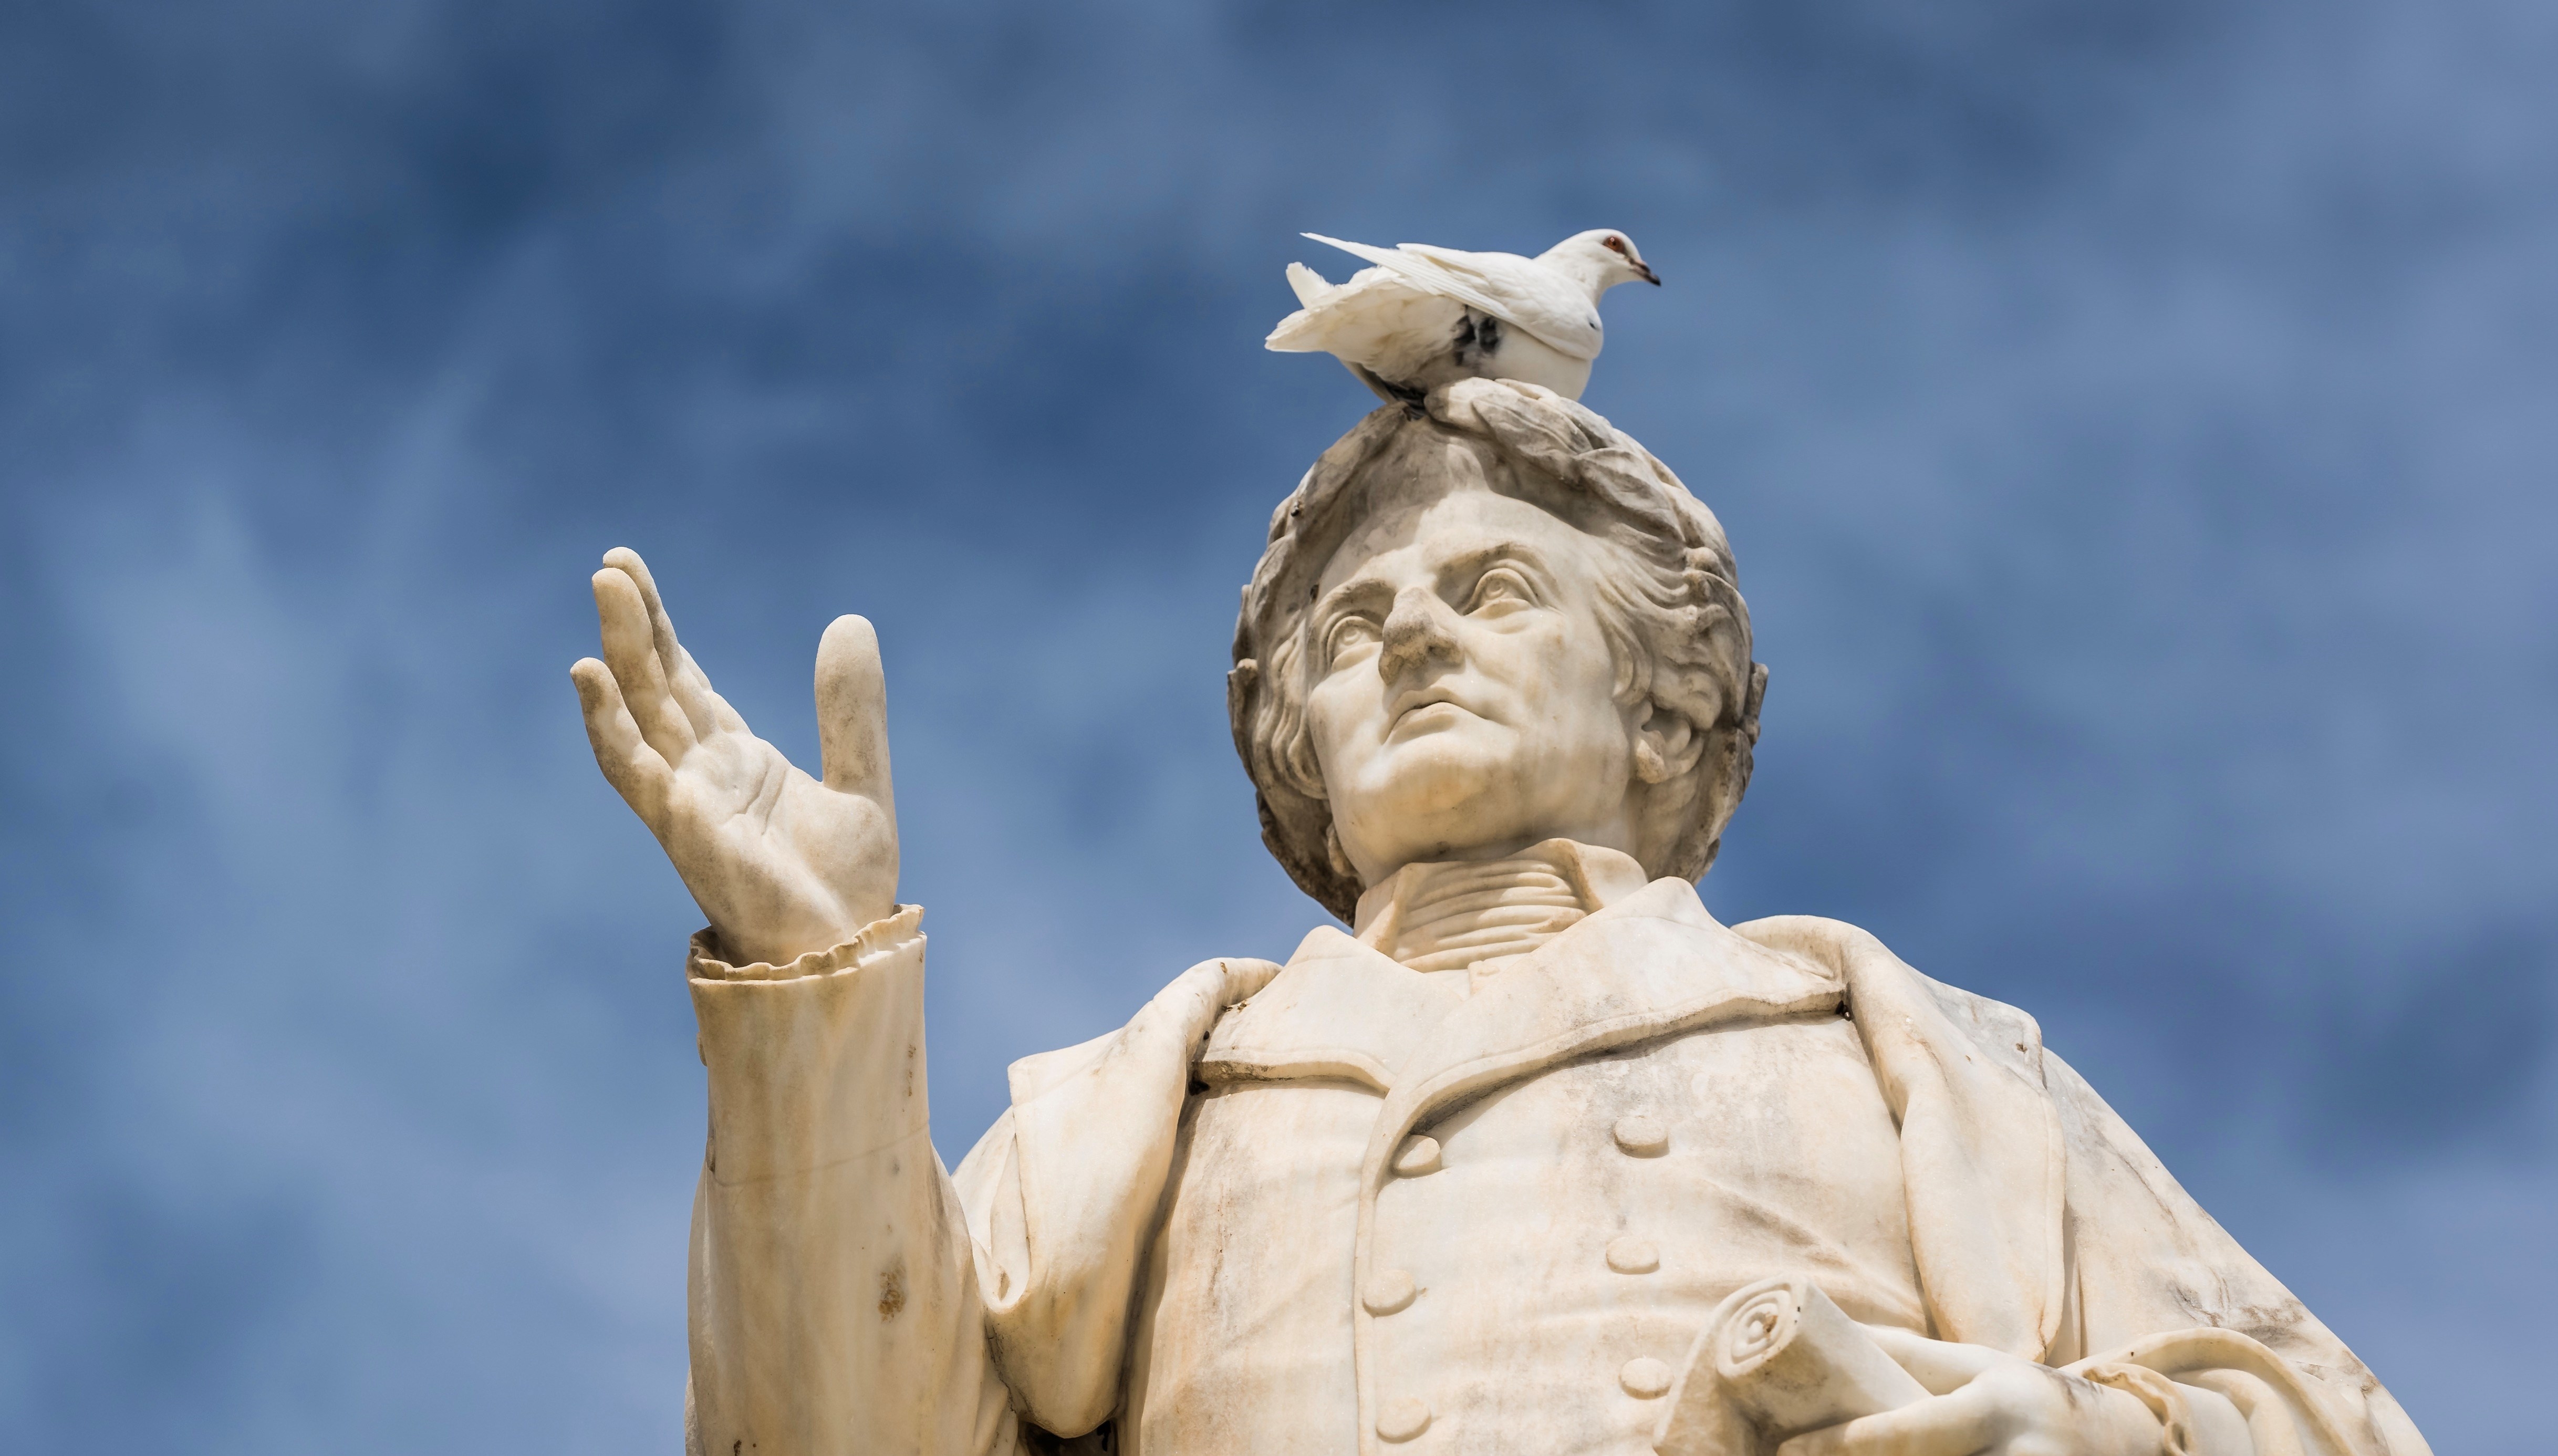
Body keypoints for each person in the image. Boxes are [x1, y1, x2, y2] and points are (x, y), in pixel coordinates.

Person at [571, 378, 2431, 1456]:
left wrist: (2066, 1439)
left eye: (1490, 590)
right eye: (1355, 631)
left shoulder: (1901, 1055)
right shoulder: (1142, 1108)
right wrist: (812, 985)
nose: (1410, 639)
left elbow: (2334, 1426)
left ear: (1665, 701)